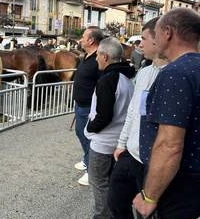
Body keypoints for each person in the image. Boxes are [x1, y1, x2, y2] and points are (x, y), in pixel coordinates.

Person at [132, 8, 200, 219]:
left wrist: (149, 197)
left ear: (168, 32)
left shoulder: (175, 74)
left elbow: (169, 145)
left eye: (157, 32)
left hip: (179, 186)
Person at [107, 17, 168, 219]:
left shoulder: (175, 75)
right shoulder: (143, 73)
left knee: (147, 213)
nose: (139, 44)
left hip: (154, 163)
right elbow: (133, 112)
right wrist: (121, 143)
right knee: (115, 202)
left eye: (143, 38)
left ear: (158, 39)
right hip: (130, 155)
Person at [83, 37, 135, 219]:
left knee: (98, 183)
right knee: (110, 185)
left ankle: (103, 216)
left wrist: (89, 128)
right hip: (119, 142)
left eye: (97, 55)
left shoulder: (107, 80)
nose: (96, 58)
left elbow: (104, 116)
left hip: (104, 144)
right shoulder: (127, 78)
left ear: (105, 56)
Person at [72, 26, 104, 186]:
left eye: (83, 37)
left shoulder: (99, 58)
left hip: (89, 107)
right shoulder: (87, 56)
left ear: (91, 40)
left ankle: (92, 170)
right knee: (80, 132)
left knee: (88, 137)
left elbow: (102, 84)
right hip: (80, 104)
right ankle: (87, 160)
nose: (81, 39)